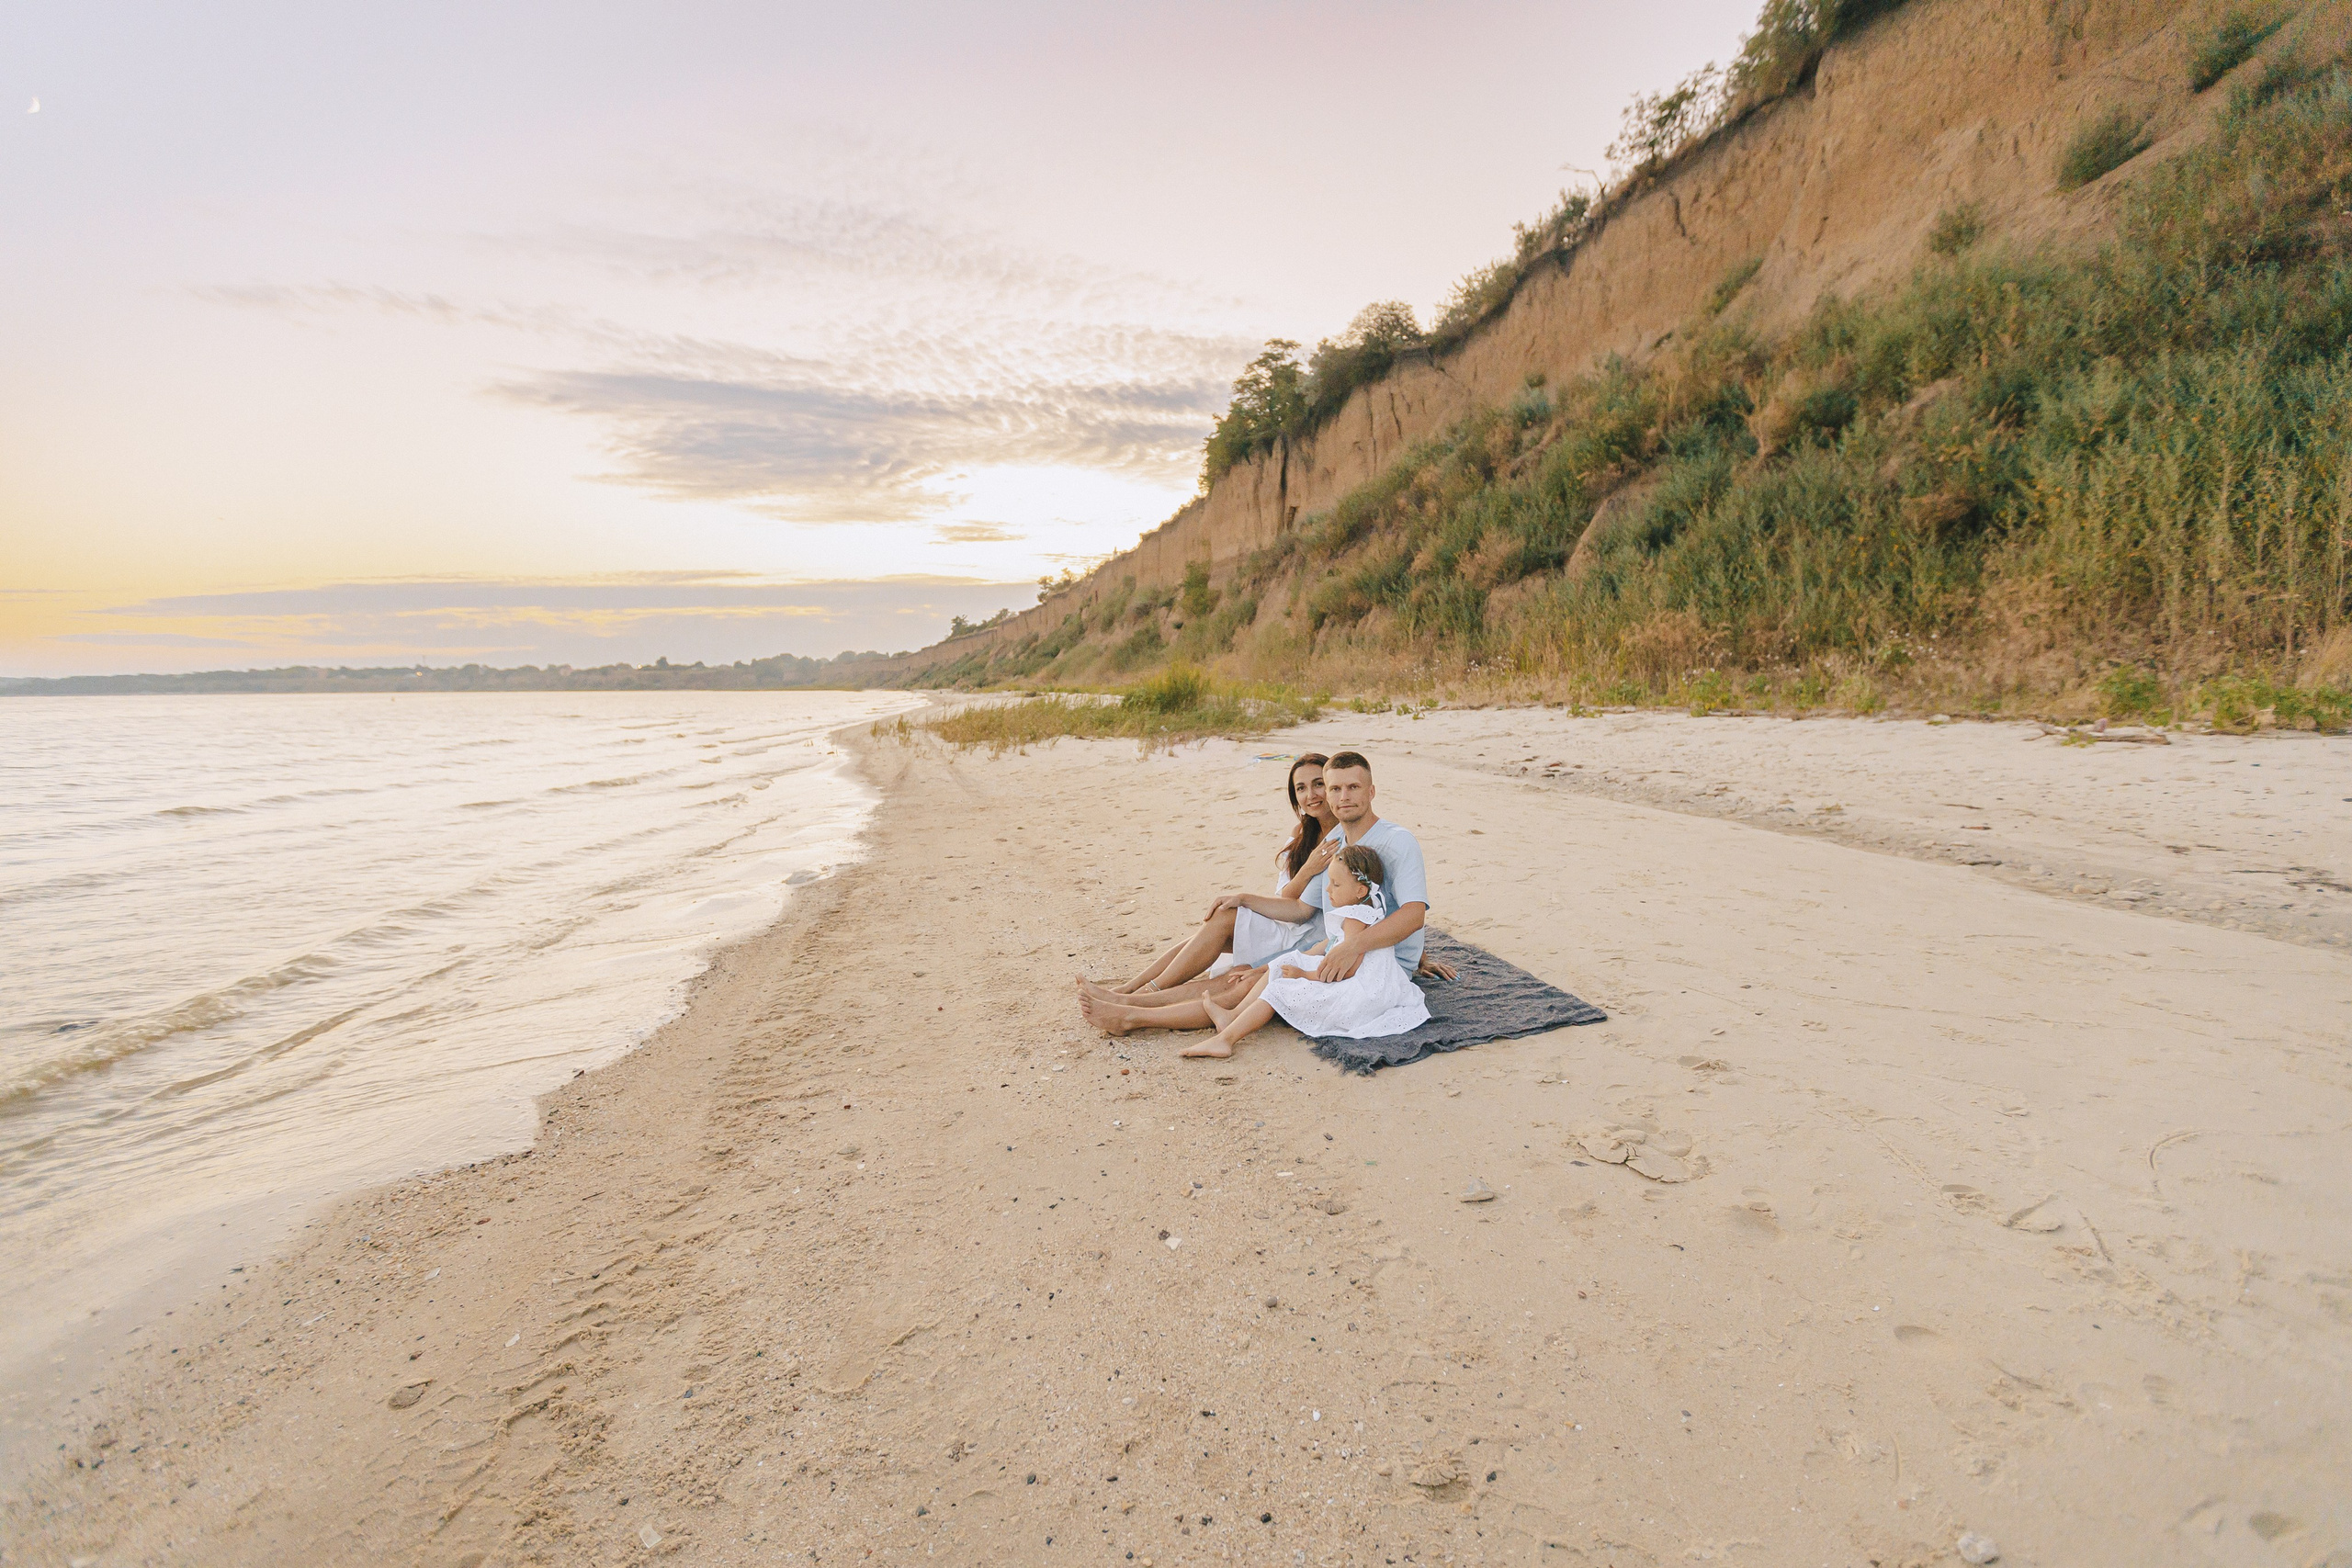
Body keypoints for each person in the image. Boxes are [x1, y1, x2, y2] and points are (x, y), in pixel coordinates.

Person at [1078, 750, 1440, 1038]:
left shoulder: (1397, 840)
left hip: (1379, 965)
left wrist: (1355, 948)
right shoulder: (1334, 843)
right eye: (1335, 789)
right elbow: (1303, 908)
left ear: (1371, 791)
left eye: (1354, 788)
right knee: (1247, 975)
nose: (1343, 797)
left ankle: (1131, 1016)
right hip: (1334, 948)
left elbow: (1412, 915)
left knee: (1243, 985)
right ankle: (1130, 1001)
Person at [1100, 753, 1339, 995]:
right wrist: (1308, 867)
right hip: (1288, 922)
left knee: (1225, 920)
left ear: (1332, 785)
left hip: (1311, 936)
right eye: (1301, 788)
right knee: (1215, 925)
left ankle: (1150, 991)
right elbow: (1287, 894)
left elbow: (1301, 912)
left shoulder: (1341, 837)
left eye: (1318, 784)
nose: (1311, 795)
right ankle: (1131, 987)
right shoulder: (1302, 832)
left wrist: (1246, 898)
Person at [1180, 844, 1429, 1058]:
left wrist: (1304, 976)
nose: (1328, 890)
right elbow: (1324, 947)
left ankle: (1227, 1040)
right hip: (1351, 978)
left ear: (1360, 891)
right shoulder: (1355, 912)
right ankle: (1232, 1016)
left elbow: (1349, 968)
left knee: (1281, 989)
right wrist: (1264, 968)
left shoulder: (1356, 918)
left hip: (1361, 991)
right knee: (1286, 961)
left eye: (1336, 884)